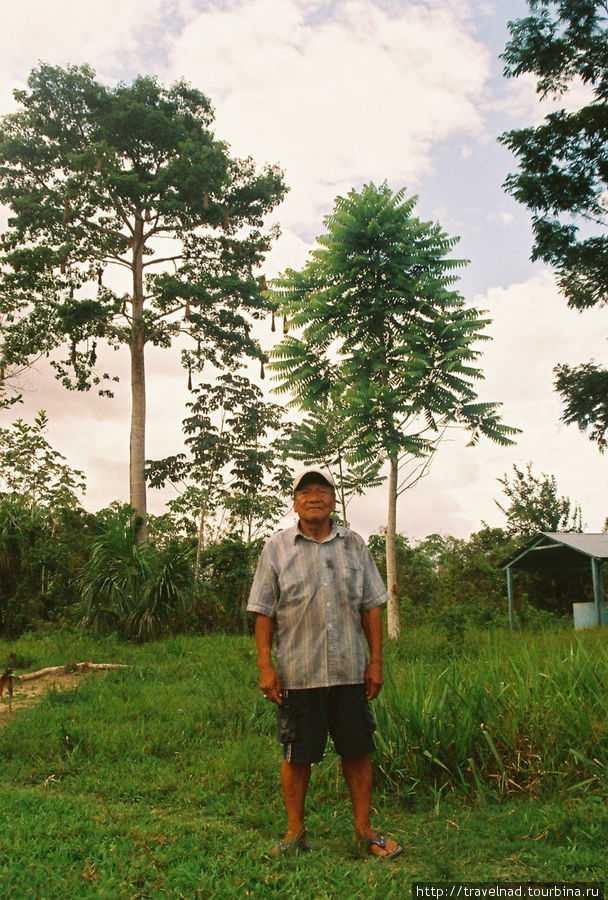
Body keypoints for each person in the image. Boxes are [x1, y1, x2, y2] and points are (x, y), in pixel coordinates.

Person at [247, 468, 402, 859]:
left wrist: (376, 662)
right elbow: (264, 612)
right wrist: (266, 667)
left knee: (357, 750)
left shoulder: (355, 545)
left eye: (322, 491)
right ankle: (295, 833)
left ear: (334, 501)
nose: (314, 497)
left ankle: (364, 831)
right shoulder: (277, 547)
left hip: (350, 671)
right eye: (306, 492)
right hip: (298, 674)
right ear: (295, 502)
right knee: (297, 755)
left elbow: (371, 606)